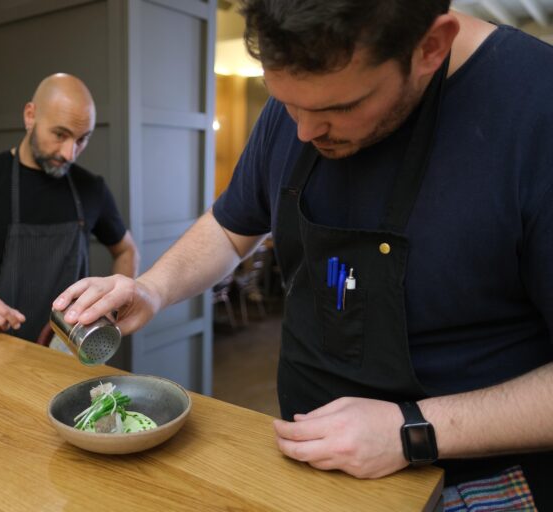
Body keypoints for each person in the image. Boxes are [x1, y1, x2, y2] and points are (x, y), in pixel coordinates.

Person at [53, 2, 553, 509]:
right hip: (308, 460)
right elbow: (231, 229)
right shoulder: (301, 102)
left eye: (338, 109)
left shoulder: (536, 109)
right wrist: (152, 288)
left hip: (475, 478)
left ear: (430, 47)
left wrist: (413, 430)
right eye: (286, 103)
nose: (304, 133)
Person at [0, 73, 138, 344]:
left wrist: (109, 308)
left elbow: (127, 250)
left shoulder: (90, 188)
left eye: (82, 139)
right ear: (30, 116)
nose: (69, 153)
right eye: (60, 134)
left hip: (67, 352)